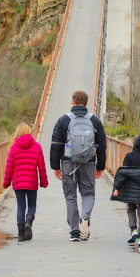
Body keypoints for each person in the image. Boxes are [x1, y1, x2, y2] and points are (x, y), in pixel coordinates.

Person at [50, 90, 106, 242]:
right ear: (86, 103)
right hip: (88, 163)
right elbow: (102, 146)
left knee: (70, 196)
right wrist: (100, 166)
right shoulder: (95, 121)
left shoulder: (63, 120)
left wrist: (55, 167)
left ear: (73, 102)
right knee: (88, 194)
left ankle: (74, 231)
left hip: (68, 162)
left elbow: (56, 144)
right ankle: (85, 217)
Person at [2, 122, 48, 242]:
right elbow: (41, 166)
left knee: (21, 206)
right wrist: (43, 181)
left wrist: (6, 183)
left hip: (18, 183)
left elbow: (9, 168)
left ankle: (21, 235)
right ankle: (29, 221)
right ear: (29, 132)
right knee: (32, 205)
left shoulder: (14, 148)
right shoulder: (37, 147)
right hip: (31, 181)